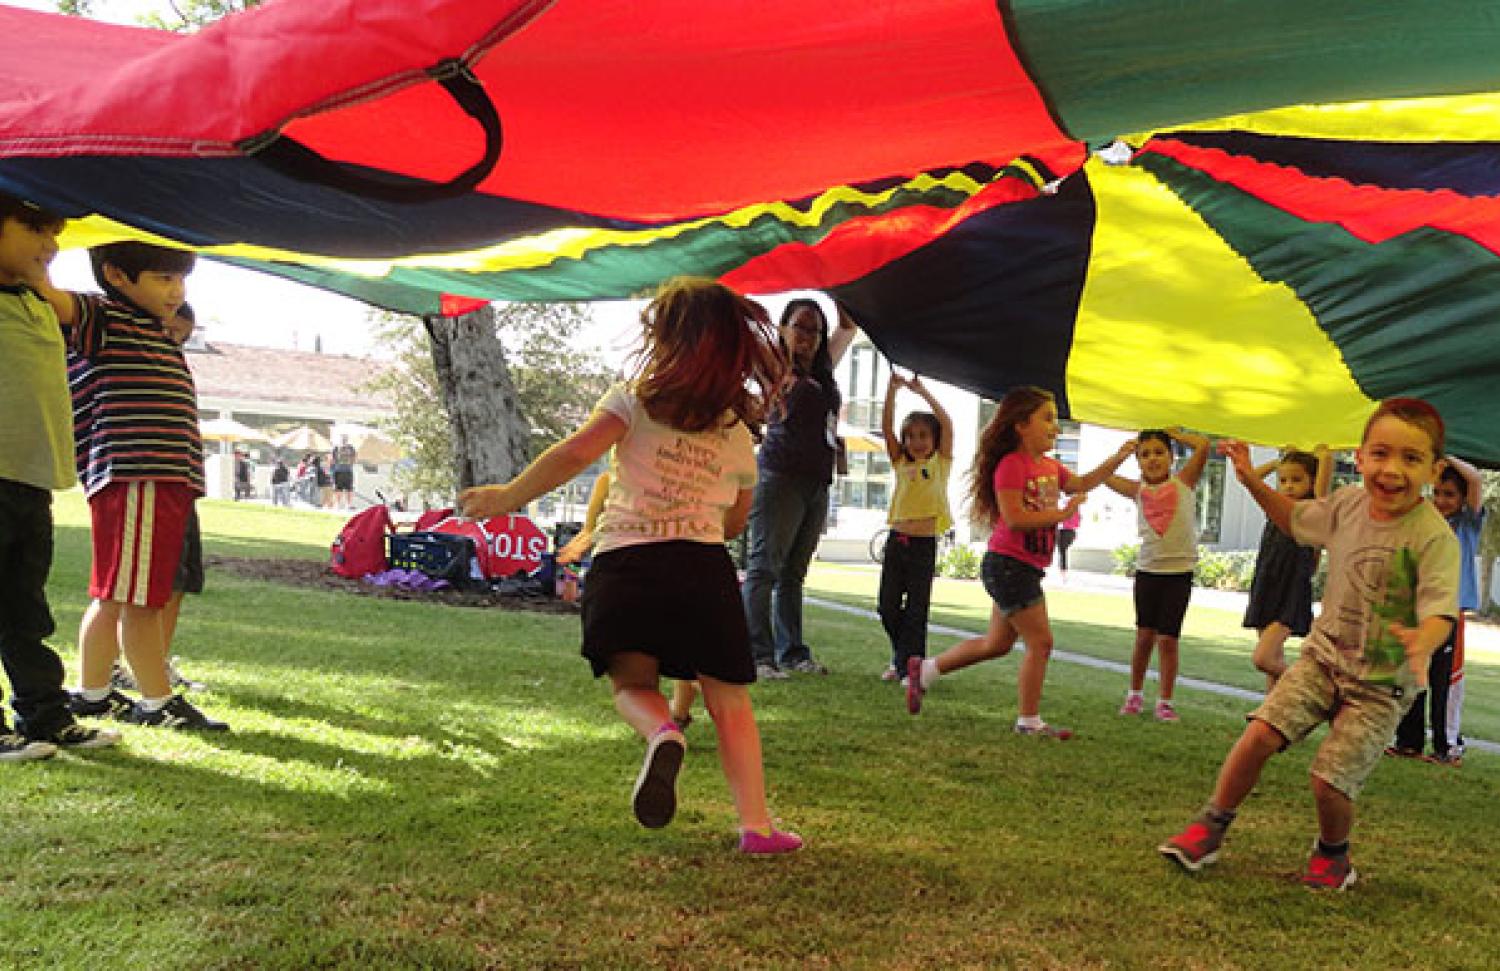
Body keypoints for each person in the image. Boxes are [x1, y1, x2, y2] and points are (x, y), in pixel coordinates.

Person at [459, 278, 801, 854]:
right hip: (703, 571)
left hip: (626, 567)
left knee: (632, 684)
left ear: (665, 340)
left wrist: (508, 497)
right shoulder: (735, 431)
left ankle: (663, 731)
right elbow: (737, 524)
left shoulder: (633, 400)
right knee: (730, 700)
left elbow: (573, 453)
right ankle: (758, 827)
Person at [1160, 399, 1459, 890]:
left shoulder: (1434, 538)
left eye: (1411, 459)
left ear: (1433, 469)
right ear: (1359, 457)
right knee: (1259, 735)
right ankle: (1210, 827)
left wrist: (1422, 643)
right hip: (1324, 657)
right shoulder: (1346, 504)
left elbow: (1440, 609)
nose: (1391, 470)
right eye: (1380, 453)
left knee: (1329, 780)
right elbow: (1294, 518)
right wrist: (1252, 481)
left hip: (1383, 683)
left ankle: (1333, 856)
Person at [33, 240, 228, 731]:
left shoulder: (154, 328)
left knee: (119, 592)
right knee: (142, 599)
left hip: (162, 477)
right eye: (163, 278)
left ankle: (94, 693)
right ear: (118, 275)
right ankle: (156, 702)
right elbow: (48, 294)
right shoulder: (103, 316)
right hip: (136, 471)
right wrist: (39, 250)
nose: (175, 290)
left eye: (180, 279)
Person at [906, 386, 1136, 736]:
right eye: (1047, 419)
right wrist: (1062, 513)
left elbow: (1082, 482)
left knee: (996, 644)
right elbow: (1013, 519)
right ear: (1021, 424)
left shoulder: (1050, 467)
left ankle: (924, 672)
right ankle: (1028, 721)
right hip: (1008, 566)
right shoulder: (1011, 466)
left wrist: (1118, 457)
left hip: (1021, 568)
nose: (1055, 428)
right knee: (1041, 643)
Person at [0, 190, 121, 760]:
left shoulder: (35, 300)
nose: (52, 245)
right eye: (36, 231)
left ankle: (45, 716)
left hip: (29, 482)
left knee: (25, 609)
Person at [741, 297, 857, 679]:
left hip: (816, 481)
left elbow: (848, 327)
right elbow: (743, 330)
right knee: (764, 568)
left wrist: (840, 289)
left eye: (814, 329)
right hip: (780, 476)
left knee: (793, 574)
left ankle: (792, 652)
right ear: (784, 328)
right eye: (800, 327)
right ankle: (758, 656)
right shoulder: (773, 366)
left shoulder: (824, 372)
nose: (807, 336)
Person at [558, 470, 699, 728]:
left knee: (632, 684)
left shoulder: (609, 479)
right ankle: (679, 713)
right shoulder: (690, 480)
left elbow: (589, 532)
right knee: (691, 657)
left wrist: (575, 559)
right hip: (682, 572)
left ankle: (664, 728)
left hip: (621, 578)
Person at [1103, 428, 1211, 722]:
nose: (1153, 459)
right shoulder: (1136, 490)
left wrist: (1174, 431)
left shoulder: (1184, 482)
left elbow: (1203, 444)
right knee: (1144, 637)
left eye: (1159, 452)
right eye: (1145, 454)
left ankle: (1165, 701)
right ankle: (1134, 695)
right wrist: (1119, 455)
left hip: (1179, 573)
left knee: (1168, 640)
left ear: (1171, 456)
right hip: (1148, 572)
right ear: (1137, 461)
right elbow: (1101, 476)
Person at [1391, 453, 1484, 765]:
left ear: (1461, 499)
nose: (1442, 500)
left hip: (1451, 612)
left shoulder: (1467, 524)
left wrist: (1446, 457)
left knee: (1447, 681)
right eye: (1438, 493)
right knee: (1414, 675)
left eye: (1450, 495)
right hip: (1421, 610)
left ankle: (1448, 747)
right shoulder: (1424, 521)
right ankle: (1409, 741)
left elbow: (1474, 479)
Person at [878, 372, 954, 685]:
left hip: (924, 546)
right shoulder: (901, 462)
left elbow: (947, 423)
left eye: (924, 435)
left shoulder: (940, 462)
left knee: (916, 611)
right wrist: (891, 392)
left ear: (934, 440)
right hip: (898, 541)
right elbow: (885, 428)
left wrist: (923, 391)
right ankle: (902, 660)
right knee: (887, 606)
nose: (916, 442)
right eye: (910, 436)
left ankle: (912, 667)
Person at [1241, 446, 1332, 691]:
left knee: (1264, 658)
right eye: (1283, 480)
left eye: (1297, 479)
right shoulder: (1276, 506)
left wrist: (1323, 455)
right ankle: (1270, 717)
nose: (1288, 486)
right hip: (1267, 583)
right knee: (1273, 662)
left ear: (1311, 481)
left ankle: (1311, 688)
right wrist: (1276, 463)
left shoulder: (1311, 509)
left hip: (1291, 588)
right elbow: (1248, 479)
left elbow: (1324, 471)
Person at [1055, 505, 1080, 582]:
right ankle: (1063, 573)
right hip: (1070, 532)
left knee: (1062, 551)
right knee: (1062, 551)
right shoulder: (1075, 509)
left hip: (1065, 531)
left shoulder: (1069, 509)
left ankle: (1063, 573)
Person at [332, 438, 357, 510]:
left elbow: (333, 460)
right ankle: (346, 505)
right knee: (348, 489)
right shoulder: (351, 448)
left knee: (339, 489)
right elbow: (354, 458)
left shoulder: (336, 448)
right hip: (346, 470)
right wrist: (351, 464)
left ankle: (339, 505)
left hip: (339, 470)